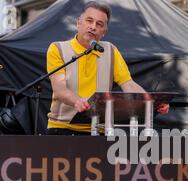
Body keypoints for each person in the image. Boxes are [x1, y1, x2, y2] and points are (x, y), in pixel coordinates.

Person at [46, 1, 169, 135]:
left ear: (104, 32)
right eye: (89, 21)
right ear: (78, 23)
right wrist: (78, 102)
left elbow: (128, 84)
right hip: (62, 129)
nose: (93, 27)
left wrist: (153, 103)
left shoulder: (110, 50)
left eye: (99, 24)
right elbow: (59, 89)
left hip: (99, 130)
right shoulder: (57, 48)